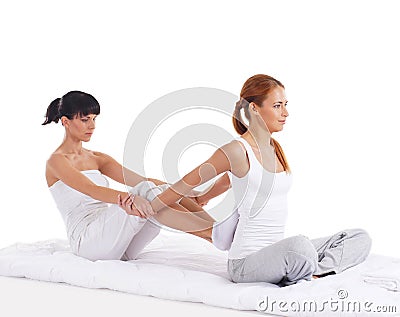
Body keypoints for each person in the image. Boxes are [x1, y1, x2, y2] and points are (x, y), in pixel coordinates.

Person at [125, 74, 372, 286]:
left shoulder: (274, 148)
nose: (285, 113)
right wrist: (151, 207)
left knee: (358, 237)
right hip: (246, 263)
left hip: (279, 250)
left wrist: (203, 198)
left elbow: (235, 181)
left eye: (285, 104)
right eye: (277, 106)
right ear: (254, 108)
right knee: (300, 247)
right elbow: (186, 183)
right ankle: (307, 269)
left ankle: (312, 272)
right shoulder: (236, 150)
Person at [43, 91, 215, 261]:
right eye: (85, 120)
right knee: (147, 191)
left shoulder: (97, 158)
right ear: (66, 122)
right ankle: (214, 235)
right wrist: (131, 198)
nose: (92, 126)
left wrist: (185, 192)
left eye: (94, 119)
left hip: (120, 243)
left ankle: (218, 229)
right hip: (88, 241)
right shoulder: (56, 162)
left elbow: (141, 181)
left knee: (160, 191)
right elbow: (92, 190)